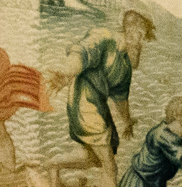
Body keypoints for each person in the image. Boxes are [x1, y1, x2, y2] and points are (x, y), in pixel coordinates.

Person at [66, 10, 156, 166]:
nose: (140, 46)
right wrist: (65, 73)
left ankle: (52, 167)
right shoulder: (105, 37)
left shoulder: (125, 67)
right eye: (140, 37)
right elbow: (81, 51)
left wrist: (127, 122)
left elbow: (121, 100)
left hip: (97, 105)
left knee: (95, 158)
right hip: (84, 99)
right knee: (109, 164)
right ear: (129, 31)